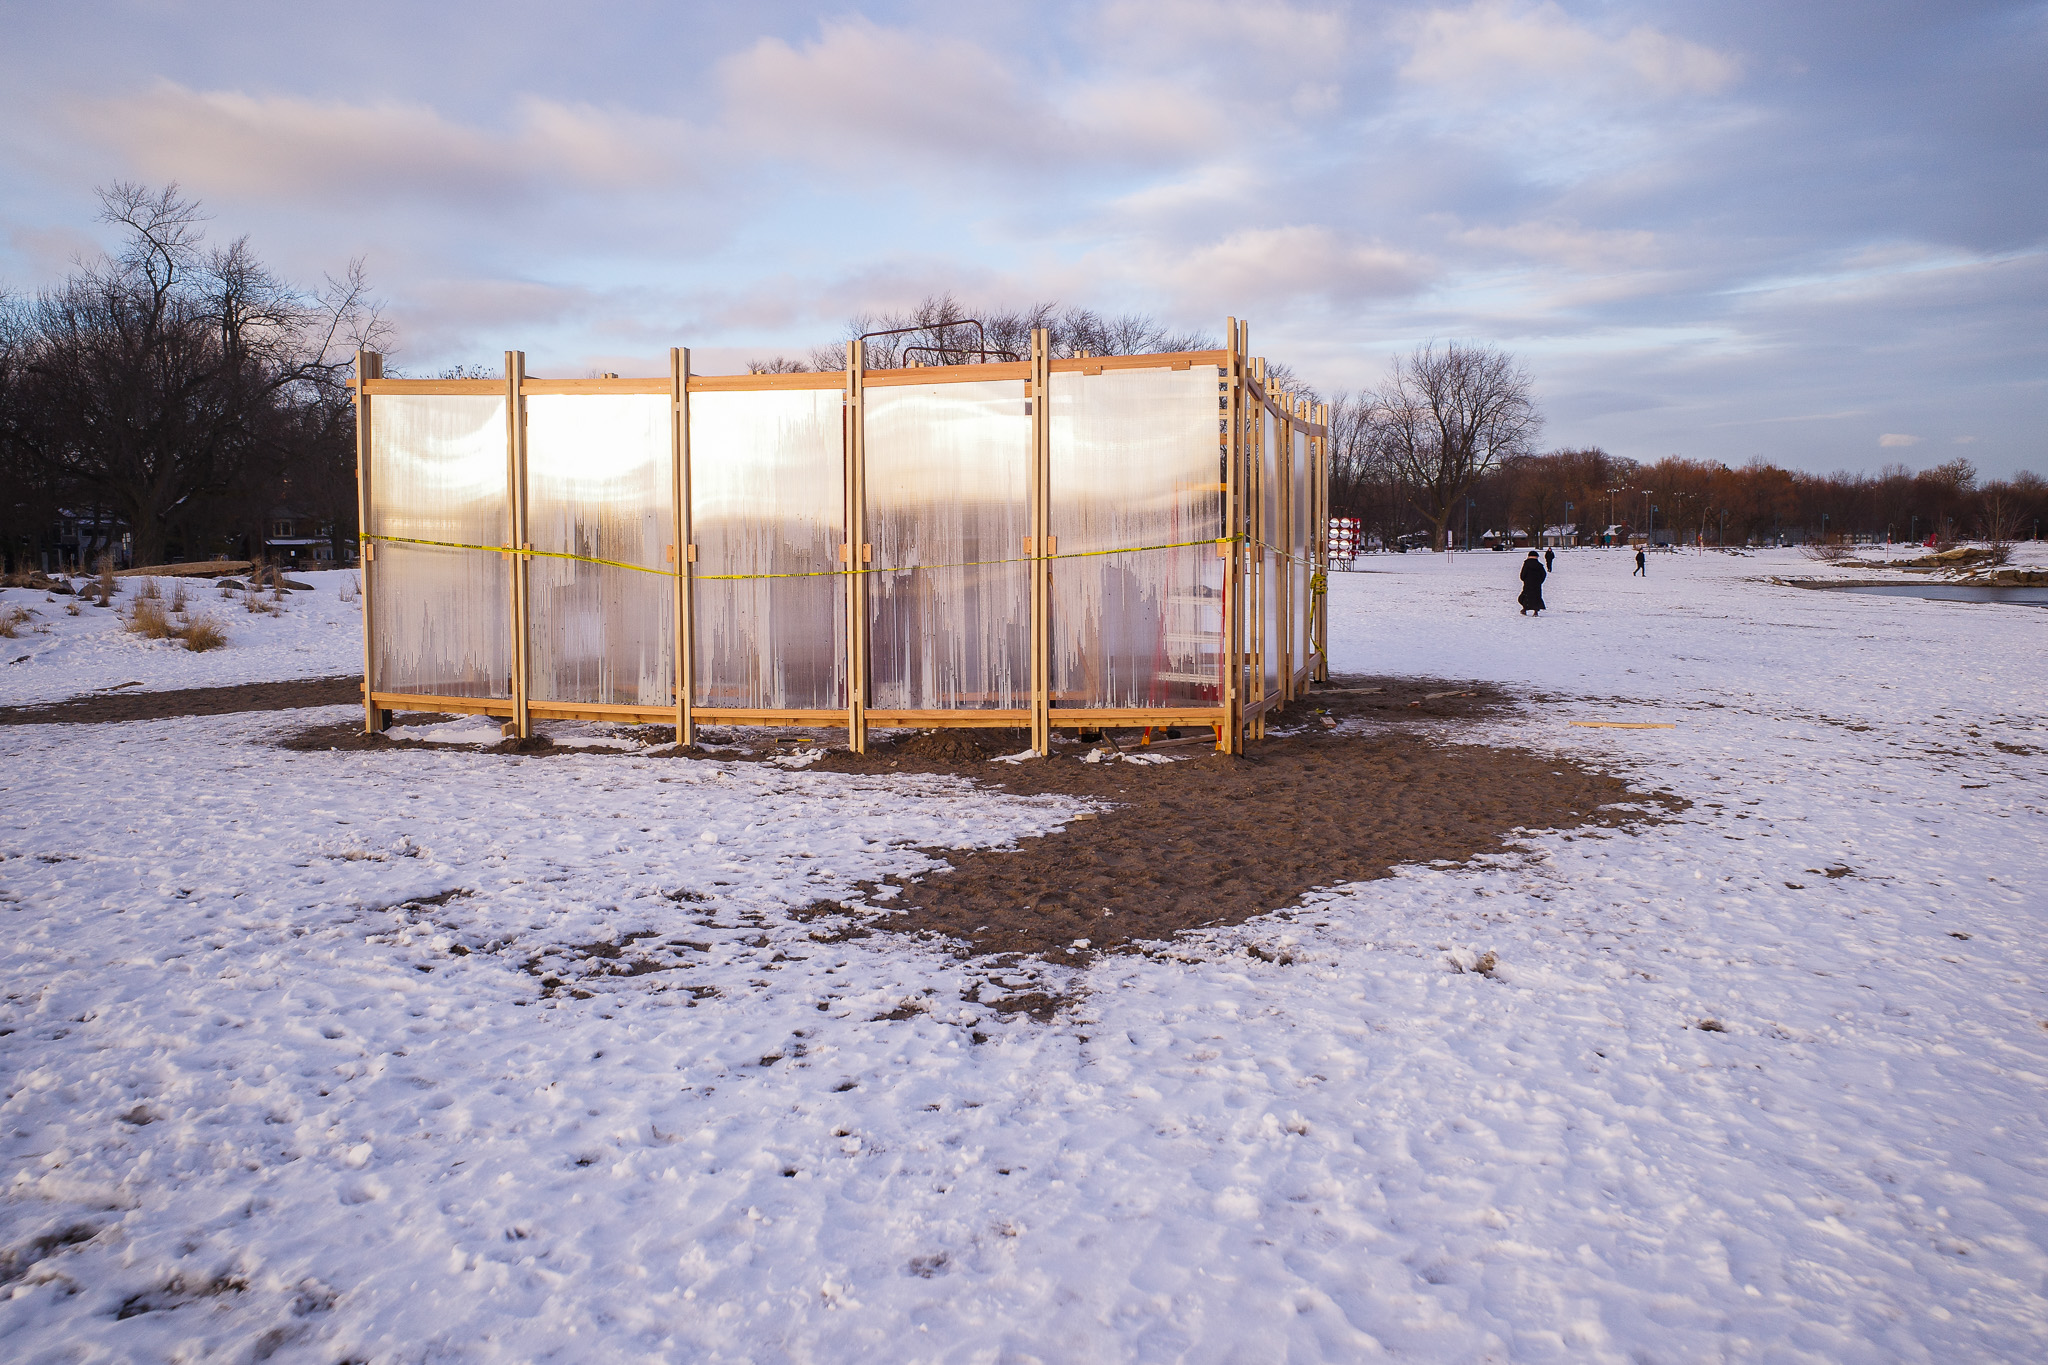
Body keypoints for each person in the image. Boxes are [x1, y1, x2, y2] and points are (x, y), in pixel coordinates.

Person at [1518, 550, 1547, 615]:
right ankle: (1536, 611)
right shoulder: (1539, 565)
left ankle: (1525, 609)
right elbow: (1543, 574)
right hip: (1537, 584)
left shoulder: (1526, 564)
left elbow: (1523, 574)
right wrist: (1540, 581)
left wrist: (1524, 579)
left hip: (1528, 583)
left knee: (1525, 597)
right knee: (1536, 597)